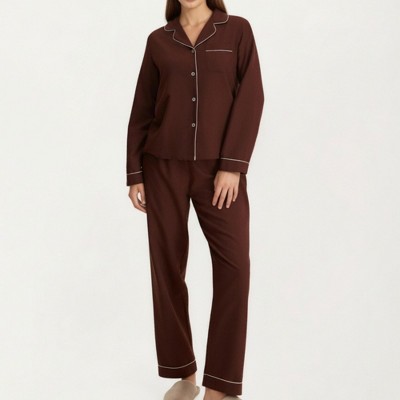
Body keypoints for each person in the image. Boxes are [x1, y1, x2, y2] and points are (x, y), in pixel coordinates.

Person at [126, 0, 264, 399]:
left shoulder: (237, 30)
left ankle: (220, 385)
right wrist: (135, 172)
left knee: (235, 267)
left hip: (218, 171)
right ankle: (182, 371)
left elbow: (252, 96)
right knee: (167, 267)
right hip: (162, 167)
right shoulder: (158, 40)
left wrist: (233, 165)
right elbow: (143, 107)